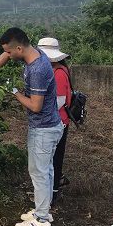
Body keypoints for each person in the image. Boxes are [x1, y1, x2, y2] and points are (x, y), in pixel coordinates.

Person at [0, 27, 63, 226]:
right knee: (47, 170)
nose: (7, 56)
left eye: (10, 52)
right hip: (50, 126)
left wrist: (15, 92)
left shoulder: (37, 70)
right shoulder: (35, 52)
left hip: (43, 129)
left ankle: (41, 220)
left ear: (19, 48)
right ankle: (43, 211)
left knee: (39, 173)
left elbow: (35, 106)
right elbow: (6, 53)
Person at [37, 37, 71, 204]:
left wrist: (35, 106)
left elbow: (58, 102)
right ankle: (52, 190)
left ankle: (53, 192)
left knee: (54, 158)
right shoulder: (60, 70)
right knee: (53, 157)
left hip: (57, 122)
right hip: (58, 121)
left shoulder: (57, 74)